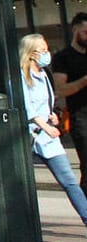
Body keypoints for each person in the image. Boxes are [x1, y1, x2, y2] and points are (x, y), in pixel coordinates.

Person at [22, 33, 87, 228]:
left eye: (46, 49)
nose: (46, 54)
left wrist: (53, 115)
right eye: (42, 50)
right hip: (30, 136)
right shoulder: (22, 76)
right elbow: (27, 107)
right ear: (31, 53)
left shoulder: (45, 74)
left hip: (48, 137)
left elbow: (48, 101)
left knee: (69, 181)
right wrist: (45, 126)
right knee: (21, 185)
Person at [54, 13, 87, 177]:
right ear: (75, 30)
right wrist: (84, 81)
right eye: (86, 33)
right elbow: (60, 90)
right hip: (81, 118)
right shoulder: (63, 58)